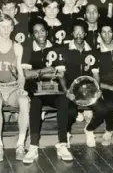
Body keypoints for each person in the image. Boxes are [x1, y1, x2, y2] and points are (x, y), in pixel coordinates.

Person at [22, 18, 74, 163]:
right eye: (36, 32)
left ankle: (63, 143)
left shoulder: (57, 48)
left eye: (42, 31)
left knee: (64, 100)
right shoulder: (28, 48)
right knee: (36, 104)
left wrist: (65, 90)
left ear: (47, 32)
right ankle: (33, 146)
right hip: (36, 89)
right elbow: (27, 74)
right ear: (32, 34)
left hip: (53, 89)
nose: (40, 34)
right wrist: (45, 71)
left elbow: (61, 74)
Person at [0, 14, 29, 161]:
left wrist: (21, 87)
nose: (6, 30)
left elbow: (21, 74)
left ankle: (20, 145)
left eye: (9, 26)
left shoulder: (17, 47)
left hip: (12, 87)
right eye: (2, 26)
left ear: (12, 28)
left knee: (24, 101)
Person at [63, 19, 108, 148]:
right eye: (76, 32)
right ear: (72, 33)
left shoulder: (92, 51)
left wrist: (98, 89)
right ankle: (66, 133)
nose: (78, 35)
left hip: (88, 91)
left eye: (81, 32)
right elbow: (60, 75)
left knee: (102, 109)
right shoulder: (65, 50)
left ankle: (89, 130)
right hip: (71, 91)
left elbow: (95, 74)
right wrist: (67, 91)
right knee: (69, 111)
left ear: (85, 34)